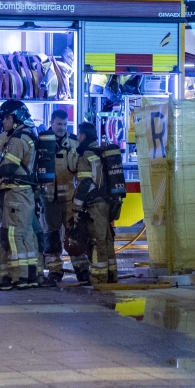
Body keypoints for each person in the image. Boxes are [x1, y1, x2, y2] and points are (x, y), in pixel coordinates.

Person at [0, 99, 41, 290]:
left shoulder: (17, 140)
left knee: (13, 235)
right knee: (26, 234)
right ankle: (31, 275)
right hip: (23, 193)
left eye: (6, 118)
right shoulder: (25, 135)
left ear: (16, 117)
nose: (3, 122)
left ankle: (19, 277)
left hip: (15, 194)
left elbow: (8, 167)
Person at [73, 122, 120, 285]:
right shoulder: (101, 152)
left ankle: (99, 277)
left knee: (97, 240)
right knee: (107, 239)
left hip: (95, 204)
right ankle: (111, 274)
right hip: (108, 202)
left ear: (83, 136)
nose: (77, 138)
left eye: (78, 135)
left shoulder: (85, 154)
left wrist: (76, 207)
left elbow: (85, 183)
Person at [37, 109, 80, 284]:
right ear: (52, 123)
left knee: (75, 235)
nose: (62, 128)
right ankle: (55, 271)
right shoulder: (42, 142)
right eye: (59, 124)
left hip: (70, 198)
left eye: (64, 124)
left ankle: (82, 268)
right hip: (49, 199)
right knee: (51, 236)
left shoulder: (74, 142)